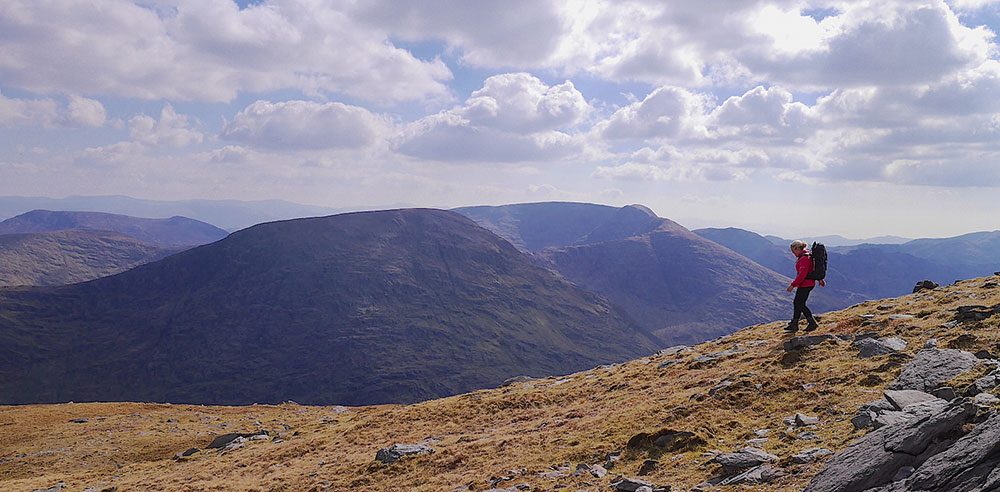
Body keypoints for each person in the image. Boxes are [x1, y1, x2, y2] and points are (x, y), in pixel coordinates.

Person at [784, 240, 824, 332]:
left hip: (806, 284)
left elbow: (802, 274)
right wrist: (819, 279)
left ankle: (812, 323)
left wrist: (792, 285)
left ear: (797, 248)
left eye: (794, 251)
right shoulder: (806, 256)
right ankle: (794, 324)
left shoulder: (804, 259)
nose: (793, 254)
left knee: (800, 304)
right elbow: (812, 270)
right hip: (806, 284)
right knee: (797, 303)